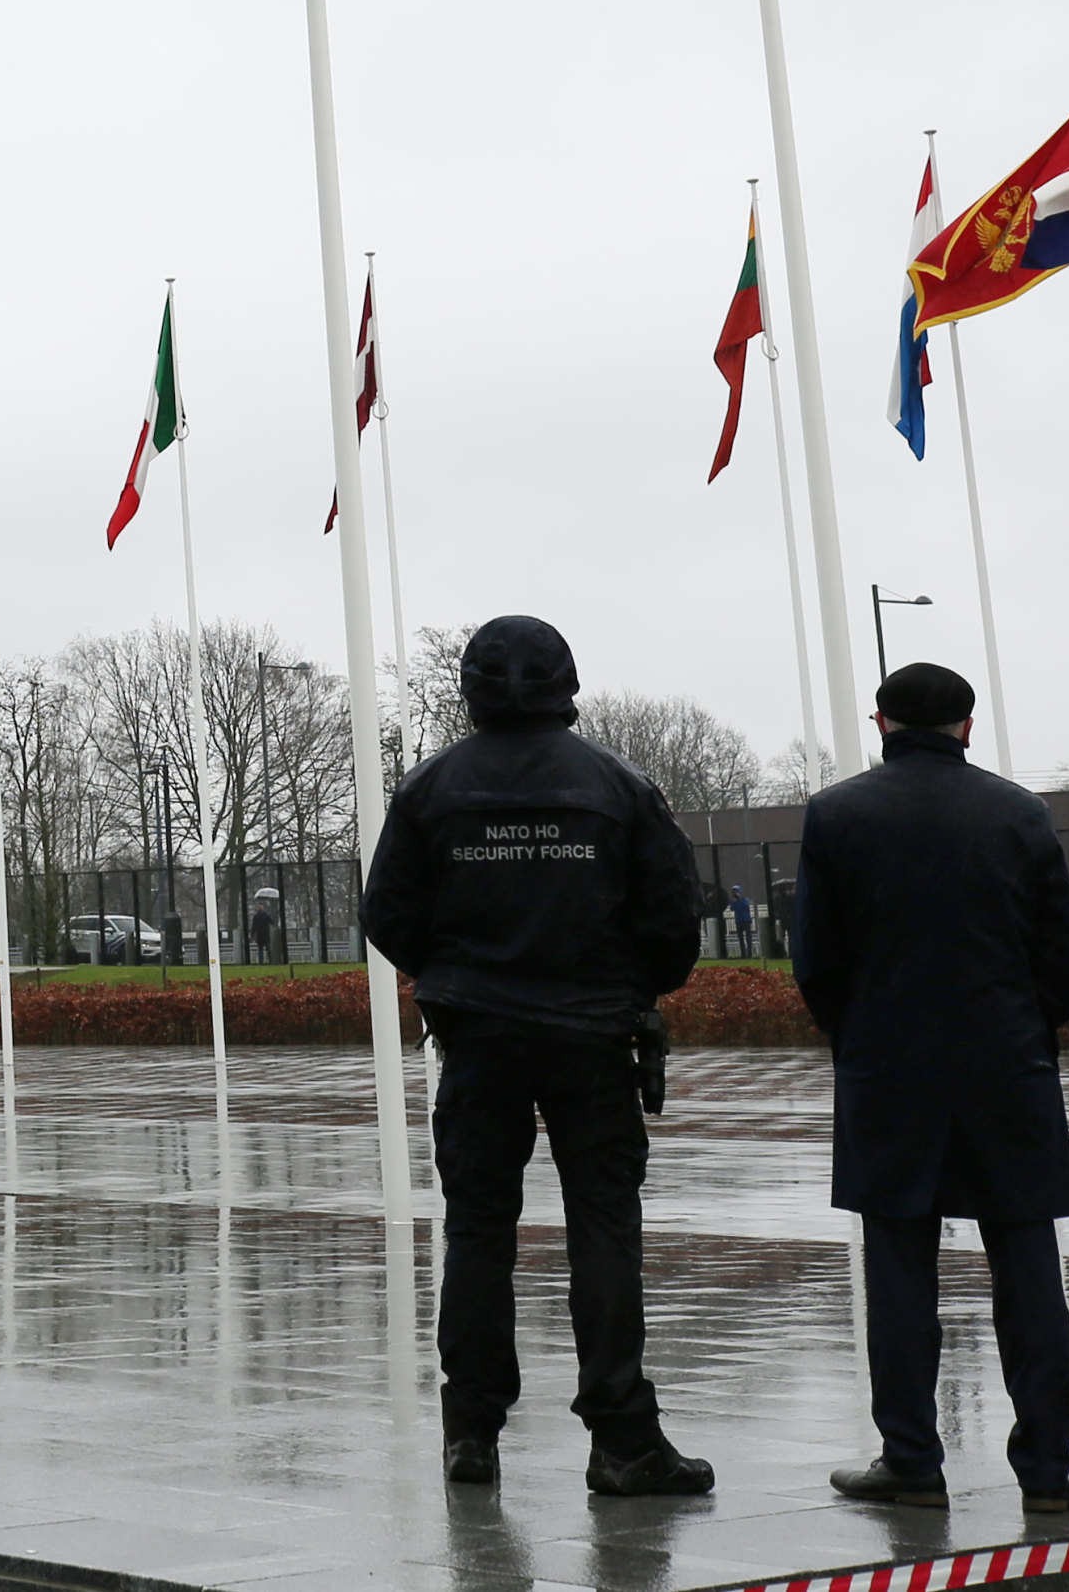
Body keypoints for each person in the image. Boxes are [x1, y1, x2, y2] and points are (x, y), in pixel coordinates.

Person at [362, 615, 711, 1498]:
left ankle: (471, 1430)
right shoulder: (619, 787)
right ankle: (623, 1435)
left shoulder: (431, 789)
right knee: (603, 1227)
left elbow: (388, 914)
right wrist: (628, 983)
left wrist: (451, 972)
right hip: (593, 1036)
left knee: (477, 1230)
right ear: (567, 682)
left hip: (477, 1037)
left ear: (470, 686)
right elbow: (672, 923)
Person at [790, 662, 1069, 1517]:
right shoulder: (1021, 813)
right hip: (1007, 1061)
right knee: (1028, 1264)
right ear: (967, 725)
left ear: (879, 721)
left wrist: (858, 1034)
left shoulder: (837, 814)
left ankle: (912, 1455)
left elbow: (817, 957)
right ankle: (1047, 1468)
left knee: (899, 1266)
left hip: (888, 1065)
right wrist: (1029, 1030)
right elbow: (1055, 961)